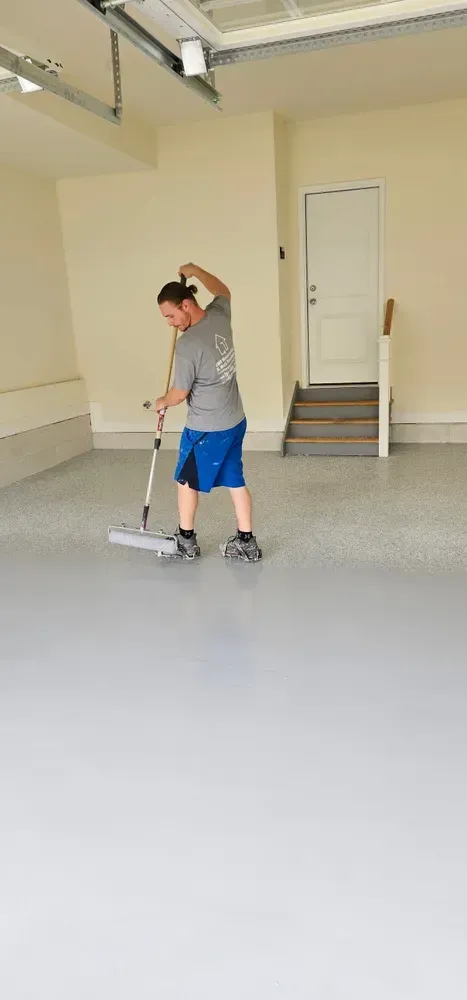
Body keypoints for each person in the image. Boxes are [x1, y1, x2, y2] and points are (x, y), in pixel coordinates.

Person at [155, 263, 261, 562]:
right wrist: (196, 270)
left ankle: (186, 541)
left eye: (172, 316)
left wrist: (162, 401)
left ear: (186, 305)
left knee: (186, 482)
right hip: (235, 421)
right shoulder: (219, 314)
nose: (170, 323)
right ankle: (246, 542)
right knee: (234, 479)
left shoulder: (188, 345)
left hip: (206, 428)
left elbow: (179, 394)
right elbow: (223, 290)